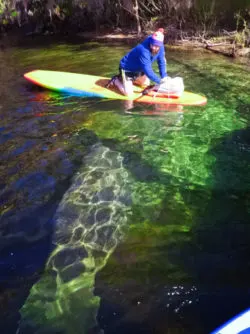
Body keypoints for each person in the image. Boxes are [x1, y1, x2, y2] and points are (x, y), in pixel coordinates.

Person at [112, 28, 168, 97]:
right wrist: (160, 82)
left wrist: (164, 77)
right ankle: (116, 81)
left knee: (146, 84)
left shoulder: (161, 46)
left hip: (139, 70)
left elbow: (161, 61)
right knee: (129, 95)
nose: (153, 47)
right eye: (152, 44)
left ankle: (131, 80)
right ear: (150, 42)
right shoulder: (143, 50)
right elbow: (148, 71)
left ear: (160, 45)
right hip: (127, 69)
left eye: (156, 46)